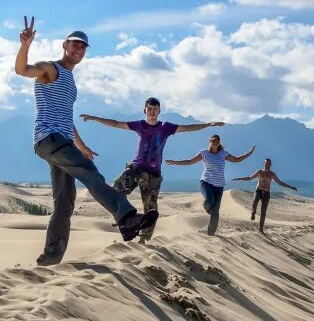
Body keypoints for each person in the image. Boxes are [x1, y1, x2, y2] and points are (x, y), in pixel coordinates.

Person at [14, 16, 158, 266]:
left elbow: (66, 119)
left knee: (64, 202)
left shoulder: (71, 82)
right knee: (91, 174)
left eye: (83, 47)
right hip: (49, 139)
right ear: (64, 45)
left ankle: (50, 258)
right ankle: (127, 218)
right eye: (75, 44)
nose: (78, 49)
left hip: (62, 142)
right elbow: (22, 70)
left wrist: (81, 146)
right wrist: (25, 45)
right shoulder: (50, 68)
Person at [79, 98, 223, 243]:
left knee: (150, 208)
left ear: (159, 111)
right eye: (149, 109)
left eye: (155, 109)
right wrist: (94, 118)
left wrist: (208, 124)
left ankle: (144, 239)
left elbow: (187, 128)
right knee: (116, 189)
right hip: (136, 168)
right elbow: (116, 123)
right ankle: (127, 218)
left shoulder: (165, 127)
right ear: (145, 111)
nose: (152, 112)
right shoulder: (139, 125)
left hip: (153, 174)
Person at [166, 134, 255, 235]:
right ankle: (207, 208)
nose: (215, 143)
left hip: (219, 185)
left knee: (216, 212)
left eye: (217, 141)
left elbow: (237, 159)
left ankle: (211, 234)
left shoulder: (223, 153)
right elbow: (190, 161)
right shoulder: (204, 153)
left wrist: (248, 154)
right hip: (206, 182)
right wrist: (175, 162)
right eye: (213, 141)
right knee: (209, 200)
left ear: (219, 143)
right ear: (210, 142)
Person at [232, 158, 297, 234]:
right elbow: (250, 178)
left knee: (263, 211)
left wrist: (291, 187)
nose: (267, 165)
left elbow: (280, 183)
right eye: (266, 163)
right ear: (264, 164)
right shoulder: (259, 172)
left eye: (269, 164)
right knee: (255, 201)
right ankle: (253, 212)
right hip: (258, 191)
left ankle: (261, 229)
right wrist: (239, 178)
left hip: (266, 193)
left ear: (270, 165)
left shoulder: (272, 174)